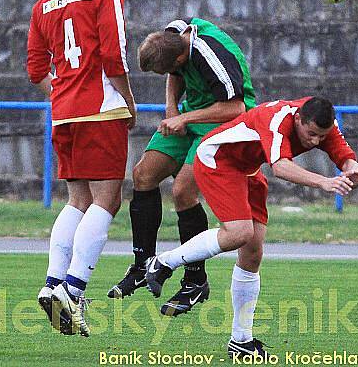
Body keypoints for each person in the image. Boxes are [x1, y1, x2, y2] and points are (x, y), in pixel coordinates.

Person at [145, 97, 358, 357]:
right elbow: (280, 167)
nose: (316, 141)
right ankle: (162, 262)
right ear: (298, 120)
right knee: (239, 233)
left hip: (247, 170)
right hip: (218, 159)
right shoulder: (278, 119)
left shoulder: (322, 122)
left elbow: (344, 155)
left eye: (321, 136)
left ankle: (241, 341)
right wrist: (324, 182)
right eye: (312, 134)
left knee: (253, 252)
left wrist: (353, 170)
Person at [107, 18, 257, 317]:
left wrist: (184, 119)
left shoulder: (213, 57)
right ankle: (142, 264)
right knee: (143, 175)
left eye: (167, 69)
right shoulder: (174, 36)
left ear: (180, 58)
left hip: (225, 121)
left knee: (182, 191)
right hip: (192, 114)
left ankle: (195, 279)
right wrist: (173, 110)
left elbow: (236, 107)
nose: (169, 74)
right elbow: (174, 74)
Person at [27, 0, 136, 336]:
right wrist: (128, 99)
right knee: (108, 200)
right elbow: (113, 54)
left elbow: (37, 69)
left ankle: (53, 282)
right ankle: (73, 290)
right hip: (101, 109)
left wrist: (63, 96)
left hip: (64, 115)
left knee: (78, 199)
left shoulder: (43, 5)